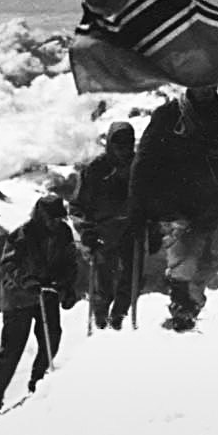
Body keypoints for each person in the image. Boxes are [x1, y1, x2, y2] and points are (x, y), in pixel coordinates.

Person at [129, 85, 218, 332]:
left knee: (201, 260)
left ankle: (188, 307)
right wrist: (138, 207)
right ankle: (183, 311)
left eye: (210, 84)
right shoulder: (168, 115)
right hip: (173, 204)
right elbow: (144, 162)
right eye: (201, 84)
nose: (206, 89)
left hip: (209, 203)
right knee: (185, 256)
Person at [0, 194, 78, 418]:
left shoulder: (63, 233)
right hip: (18, 298)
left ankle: (38, 381)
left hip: (47, 292)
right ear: (42, 217)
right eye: (53, 219)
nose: (57, 223)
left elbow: (69, 262)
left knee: (52, 336)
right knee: (12, 348)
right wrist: (26, 281)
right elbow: (8, 264)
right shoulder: (22, 235)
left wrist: (66, 287)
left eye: (59, 218)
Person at [70, 121, 137, 330]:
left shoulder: (139, 166)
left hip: (131, 228)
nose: (123, 147)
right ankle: (100, 319)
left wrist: (152, 228)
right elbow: (78, 206)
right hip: (103, 229)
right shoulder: (95, 169)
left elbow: (151, 199)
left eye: (127, 142)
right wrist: (86, 231)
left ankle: (118, 317)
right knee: (103, 276)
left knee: (132, 275)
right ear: (109, 143)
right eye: (118, 142)